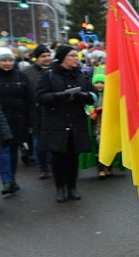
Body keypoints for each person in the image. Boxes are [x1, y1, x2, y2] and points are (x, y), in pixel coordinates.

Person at [34, 45, 97, 202]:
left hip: (76, 122)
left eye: (77, 55)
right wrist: (60, 96)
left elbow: (93, 95)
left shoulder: (81, 74)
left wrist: (83, 96)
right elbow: (40, 97)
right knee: (58, 158)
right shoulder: (49, 74)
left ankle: (72, 188)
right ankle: (60, 188)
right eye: (72, 55)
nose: (76, 58)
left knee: (73, 158)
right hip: (56, 123)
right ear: (63, 58)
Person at [0, 47, 32, 196]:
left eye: (9, 60)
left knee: (13, 151)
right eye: (4, 60)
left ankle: (11, 178)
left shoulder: (21, 77)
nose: (7, 63)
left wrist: (31, 120)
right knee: (3, 151)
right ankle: (6, 179)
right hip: (1, 121)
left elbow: (29, 98)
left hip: (18, 121)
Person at [23, 45, 53, 179]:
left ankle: (54, 164)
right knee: (38, 142)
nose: (47, 59)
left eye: (48, 56)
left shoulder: (55, 70)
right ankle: (43, 167)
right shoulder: (27, 73)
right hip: (36, 112)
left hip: (53, 111)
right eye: (43, 56)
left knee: (55, 141)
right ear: (37, 58)